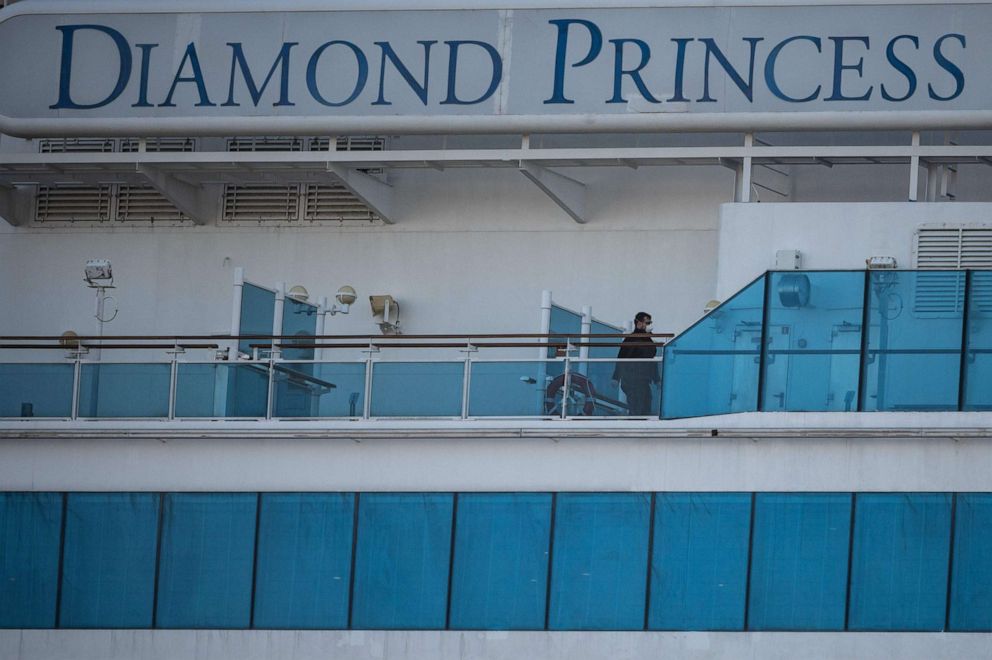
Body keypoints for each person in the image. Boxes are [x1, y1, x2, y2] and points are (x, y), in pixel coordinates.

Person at [612, 312, 660, 416]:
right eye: (647, 322)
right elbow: (621, 359)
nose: (649, 325)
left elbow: (651, 361)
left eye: (649, 322)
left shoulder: (648, 340)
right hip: (632, 380)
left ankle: (641, 426)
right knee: (637, 406)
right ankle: (634, 426)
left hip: (643, 380)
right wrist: (616, 378)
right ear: (639, 323)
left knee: (646, 404)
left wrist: (657, 379)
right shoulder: (631, 339)